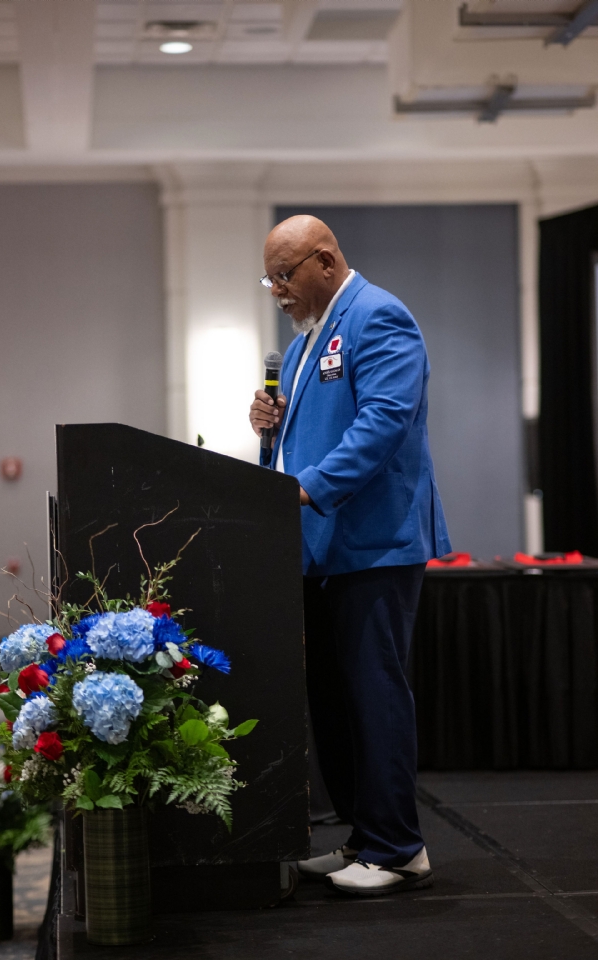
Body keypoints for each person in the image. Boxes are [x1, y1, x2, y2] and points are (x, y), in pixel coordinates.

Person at [249, 215, 451, 897]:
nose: (277, 290)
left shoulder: (379, 316)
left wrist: (309, 487)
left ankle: (400, 849)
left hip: (375, 545)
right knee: (335, 703)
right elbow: (302, 446)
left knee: (373, 693)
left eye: (284, 275)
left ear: (326, 262)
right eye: (270, 279)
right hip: (323, 548)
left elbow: (384, 421)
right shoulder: (302, 344)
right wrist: (269, 432)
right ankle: (365, 838)